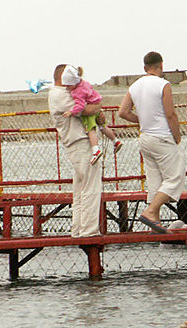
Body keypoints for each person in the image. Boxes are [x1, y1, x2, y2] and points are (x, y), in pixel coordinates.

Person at [117, 51, 186, 233]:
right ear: (161, 65)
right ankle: (151, 211)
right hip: (162, 136)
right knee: (175, 176)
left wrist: (142, 119)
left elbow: (123, 112)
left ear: (145, 67)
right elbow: (170, 114)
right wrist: (177, 136)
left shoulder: (135, 86)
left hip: (145, 138)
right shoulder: (163, 85)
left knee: (155, 180)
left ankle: (154, 220)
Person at [48, 63, 103, 237]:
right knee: (91, 186)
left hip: (76, 144)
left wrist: (96, 108)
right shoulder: (59, 95)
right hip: (80, 143)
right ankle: (89, 230)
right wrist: (98, 106)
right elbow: (90, 110)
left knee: (80, 189)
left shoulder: (63, 94)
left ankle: (78, 229)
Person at [60, 65, 123, 165]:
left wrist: (71, 112)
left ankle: (96, 150)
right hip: (96, 105)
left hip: (89, 111)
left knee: (90, 130)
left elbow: (80, 105)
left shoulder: (77, 92)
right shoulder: (85, 83)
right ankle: (115, 141)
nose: (67, 88)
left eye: (68, 85)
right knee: (103, 126)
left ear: (73, 83)